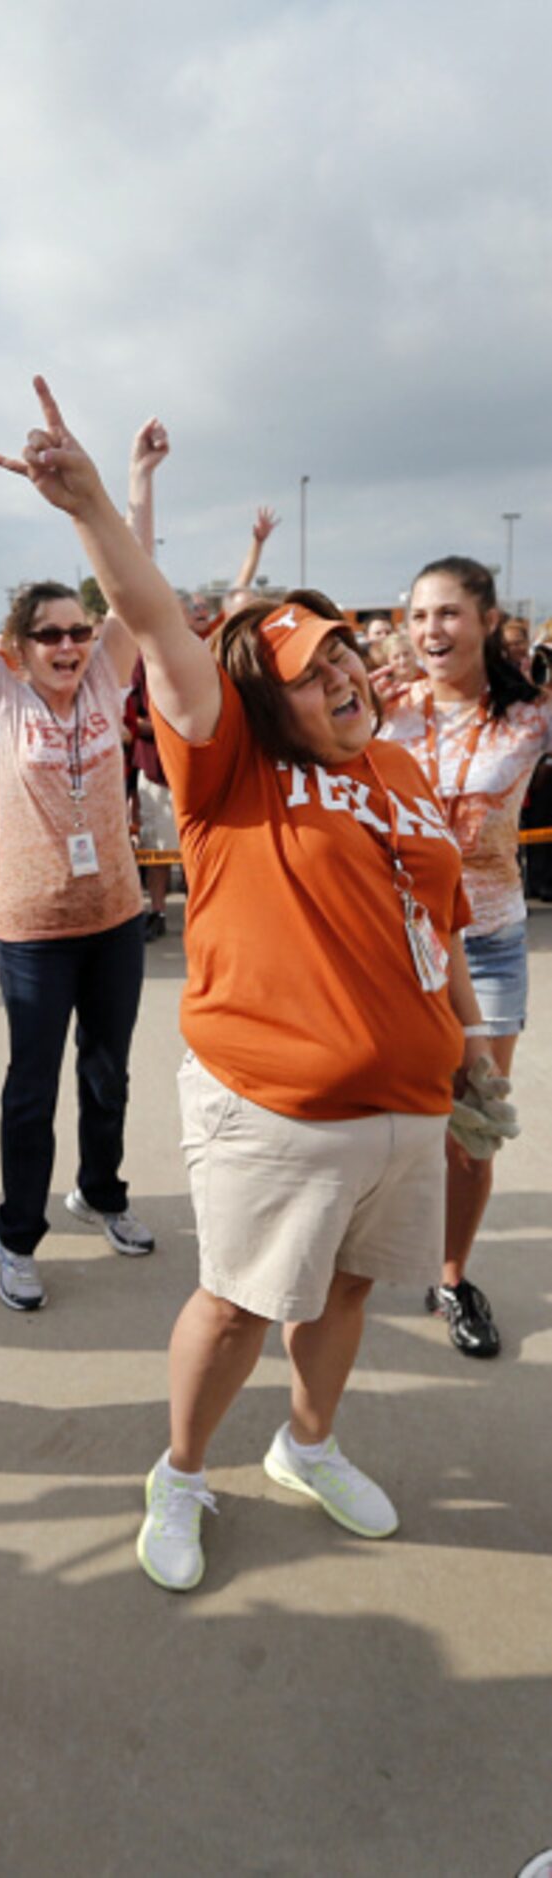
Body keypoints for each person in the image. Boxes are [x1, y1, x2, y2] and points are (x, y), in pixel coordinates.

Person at [0, 378, 503, 1591]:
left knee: (348, 1288)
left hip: (406, 1098)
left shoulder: (393, 766)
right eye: (312, 669)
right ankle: (178, 1473)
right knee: (231, 1305)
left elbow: (429, 921)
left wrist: (471, 1050)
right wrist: (92, 509)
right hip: (269, 1105)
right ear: (264, 697)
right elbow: (156, 625)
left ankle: (305, 1446)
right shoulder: (230, 772)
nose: (344, 680)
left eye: (346, 659)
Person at [0, 377, 156, 1310]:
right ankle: (16, 1234)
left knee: (108, 1073)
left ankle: (102, 1191)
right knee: (30, 1087)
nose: (68, 644)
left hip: (117, 916)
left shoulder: (104, 682)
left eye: (78, 631)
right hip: (33, 929)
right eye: (48, 634)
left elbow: (134, 578)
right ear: (13, 647)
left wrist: (130, 480)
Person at [379, 556, 551, 1357]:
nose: (429, 631)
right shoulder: (380, 709)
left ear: (486, 619)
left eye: (447, 613)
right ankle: (349, 1270)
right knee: (382, 1115)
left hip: (486, 942)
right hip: (392, 943)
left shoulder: (531, 716)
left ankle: (450, 1278)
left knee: (471, 1127)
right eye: (417, 616)